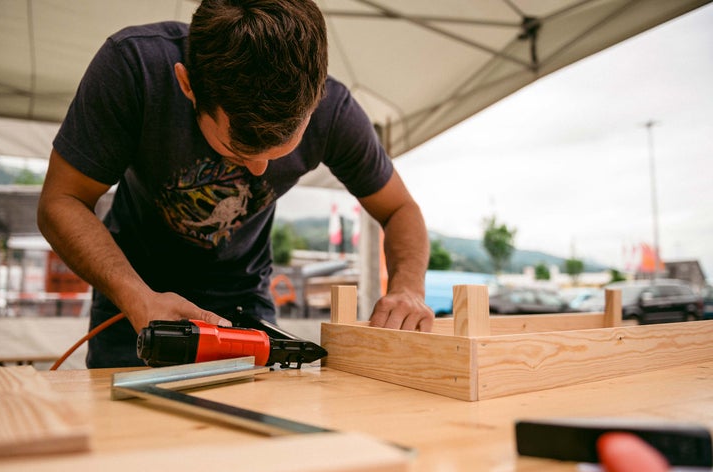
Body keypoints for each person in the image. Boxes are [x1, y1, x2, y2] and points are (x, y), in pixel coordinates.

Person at [37, 0, 434, 368]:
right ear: (188, 85)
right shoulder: (135, 66)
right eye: (237, 150)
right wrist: (135, 296)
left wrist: (408, 288)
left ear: (315, 100)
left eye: (277, 153)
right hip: (135, 302)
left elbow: (400, 209)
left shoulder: (334, 111)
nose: (260, 170)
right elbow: (62, 200)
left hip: (245, 306)